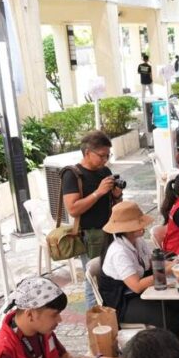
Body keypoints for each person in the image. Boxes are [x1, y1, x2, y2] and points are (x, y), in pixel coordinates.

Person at [98, 201, 179, 337]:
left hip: (139, 293)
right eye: (139, 223)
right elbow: (136, 286)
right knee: (170, 319)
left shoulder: (138, 241)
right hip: (122, 303)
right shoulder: (119, 252)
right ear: (127, 229)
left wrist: (174, 264)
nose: (143, 226)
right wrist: (165, 271)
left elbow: (152, 262)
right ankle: (165, 347)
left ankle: (172, 342)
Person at [62, 130, 123, 309]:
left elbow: (114, 204)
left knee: (111, 276)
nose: (105, 160)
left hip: (110, 231)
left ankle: (110, 313)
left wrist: (117, 196)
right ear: (88, 152)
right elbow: (73, 209)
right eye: (102, 155)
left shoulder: (105, 171)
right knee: (94, 282)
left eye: (108, 155)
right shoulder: (72, 175)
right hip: (91, 235)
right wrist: (98, 192)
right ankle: (94, 320)